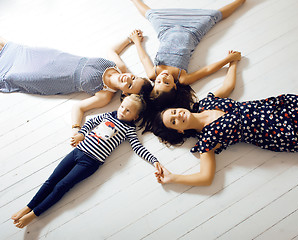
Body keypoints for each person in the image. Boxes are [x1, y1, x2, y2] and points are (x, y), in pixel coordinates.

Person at [11, 94, 162, 228]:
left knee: (61, 186)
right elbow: (91, 122)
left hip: (90, 162)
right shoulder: (109, 115)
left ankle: (33, 215)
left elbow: (138, 148)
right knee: (52, 180)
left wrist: (154, 161)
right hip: (77, 151)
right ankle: (28, 207)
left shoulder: (129, 129)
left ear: (135, 117)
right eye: (122, 106)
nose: (122, 110)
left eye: (128, 110)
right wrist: (81, 134)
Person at [152, 56, 298, 186]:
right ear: (179, 130)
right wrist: (173, 178)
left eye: (174, 112)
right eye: (174, 121)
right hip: (275, 131)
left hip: (276, 107)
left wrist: (232, 63)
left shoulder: (205, 103)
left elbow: (228, 87)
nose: (178, 115)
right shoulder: (207, 139)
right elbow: (206, 177)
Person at [0, 33, 152, 135]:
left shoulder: (105, 95)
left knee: (15, 74)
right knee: (19, 51)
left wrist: (76, 129)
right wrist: (129, 39)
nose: (127, 79)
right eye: (133, 77)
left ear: (125, 94)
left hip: (53, 77)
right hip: (58, 58)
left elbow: (79, 107)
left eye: (130, 85)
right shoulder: (120, 67)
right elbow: (111, 50)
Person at [129, 0, 245, 110]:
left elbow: (144, 58)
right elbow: (207, 70)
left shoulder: (153, 73)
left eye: (159, 82)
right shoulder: (182, 78)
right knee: (214, 16)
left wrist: (137, 42)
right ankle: (240, 1)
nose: (163, 78)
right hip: (192, 32)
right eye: (167, 82)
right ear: (174, 86)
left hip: (166, 29)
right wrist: (228, 59)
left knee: (151, 15)